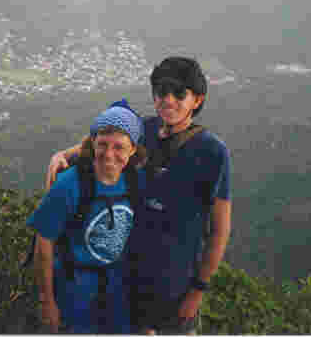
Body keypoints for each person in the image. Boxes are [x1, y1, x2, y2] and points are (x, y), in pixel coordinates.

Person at [45, 57, 232, 334]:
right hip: (125, 280)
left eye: (179, 93)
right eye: (161, 91)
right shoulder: (142, 129)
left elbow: (219, 230)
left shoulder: (212, 152)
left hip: (175, 287)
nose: (168, 100)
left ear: (197, 99)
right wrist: (63, 155)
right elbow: (102, 139)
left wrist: (197, 292)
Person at [27, 101, 146, 333]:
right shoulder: (69, 184)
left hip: (117, 290)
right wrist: (47, 301)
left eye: (119, 147)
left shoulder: (135, 182)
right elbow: (44, 242)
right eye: (103, 144)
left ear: (133, 150)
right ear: (93, 144)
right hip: (73, 290)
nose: (109, 154)